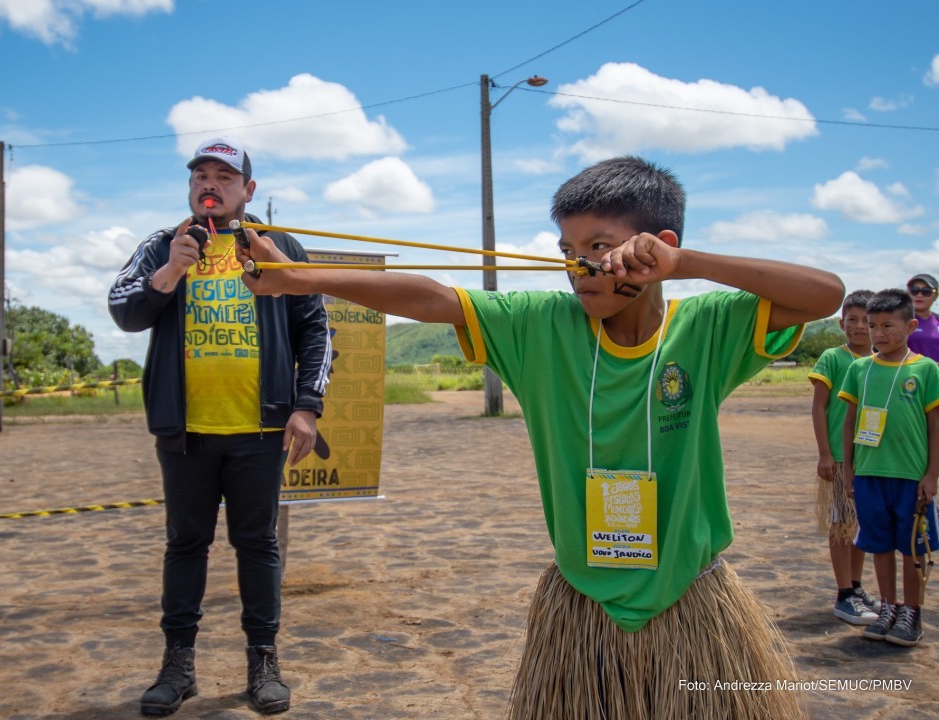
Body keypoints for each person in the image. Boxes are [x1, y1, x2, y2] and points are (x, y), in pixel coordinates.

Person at [235, 156, 844, 719]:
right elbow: (432, 297)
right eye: (567, 248)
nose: (579, 266)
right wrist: (296, 278)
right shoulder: (537, 323)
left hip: (691, 596)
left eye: (599, 247)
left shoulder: (710, 326)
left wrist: (691, 266)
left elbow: (826, 294)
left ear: (659, 247)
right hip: (581, 606)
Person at [108, 136, 331, 716]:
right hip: (185, 432)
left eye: (224, 177)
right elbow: (123, 309)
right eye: (201, 176)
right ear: (190, 189)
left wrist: (306, 406)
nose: (211, 184)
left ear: (247, 190)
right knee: (186, 544)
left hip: (260, 431)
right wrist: (169, 276)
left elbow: (317, 329)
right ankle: (177, 666)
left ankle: (263, 661)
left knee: (257, 544)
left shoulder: (276, 246)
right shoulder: (163, 246)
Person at [838, 288, 939, 647]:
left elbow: (934, 425)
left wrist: (931, 475)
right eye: (872, 325)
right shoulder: (859, 369)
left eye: (888, 325)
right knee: (878, 544)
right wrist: (849, 469)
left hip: (911, 477)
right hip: (868, 474)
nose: (879, 333)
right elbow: (850, 420)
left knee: (912, 548)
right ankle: (888, 607)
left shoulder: (927, 370)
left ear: (911, 325)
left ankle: (912, 612)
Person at [807, 290, 881, 625]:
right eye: (852, 319)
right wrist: (825, 453)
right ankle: (843, 594)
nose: (859, 327)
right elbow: (819, 407)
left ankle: (856, 586)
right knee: (841, 526)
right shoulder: (833, 358)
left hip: (869, 458)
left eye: (867, 321)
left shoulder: (881, 361)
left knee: (861, 526)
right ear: (841, 323)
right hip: (839, 459)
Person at [906, 273, 939, 363]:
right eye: (914, 290)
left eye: (926, 291)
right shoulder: (900, 321)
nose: (919, 295)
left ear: (935, 295)